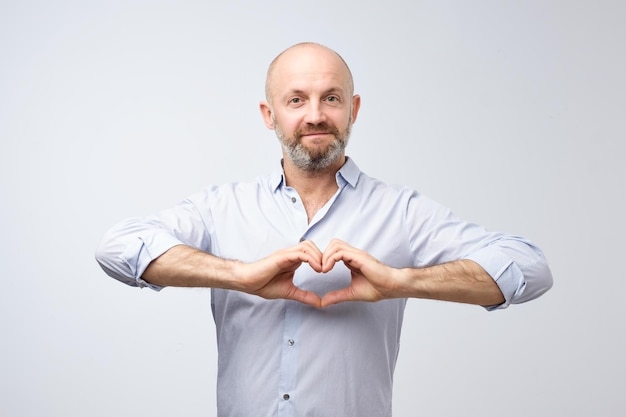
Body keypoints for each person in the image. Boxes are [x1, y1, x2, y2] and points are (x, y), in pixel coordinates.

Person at [95, 42, 553, 417]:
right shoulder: (221, 207)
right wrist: (239, 275)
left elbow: (530, 268)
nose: (315, 115)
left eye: (331, 98)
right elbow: (117, 248)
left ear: (352, 109)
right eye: (296, 100)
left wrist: (402, 281)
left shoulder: (402, 211)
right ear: (268, 114)